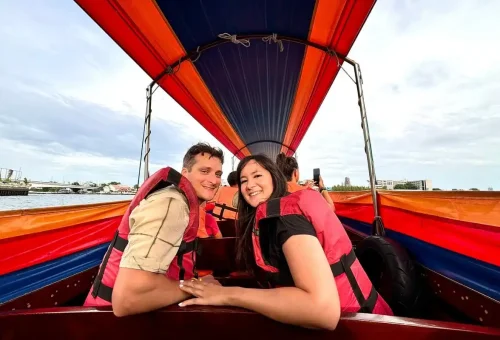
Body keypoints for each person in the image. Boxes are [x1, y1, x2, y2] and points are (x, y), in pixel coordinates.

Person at [178, 154, 393, 330]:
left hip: (361, 327)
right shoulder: (268, 219)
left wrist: (226, 295)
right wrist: (224, 283)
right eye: (244, 181)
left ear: (274, 177)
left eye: (257, 176)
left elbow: (323, 312)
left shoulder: (286, 219)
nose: (249, 185)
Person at [83, 143, 224, 317]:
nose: (214, 180)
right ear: (185, 174)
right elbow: (128, 299)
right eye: (204, 171)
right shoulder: (171, 204)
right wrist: (199, 286)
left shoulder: (179, 202)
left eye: (218, 174)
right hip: (109, 323)